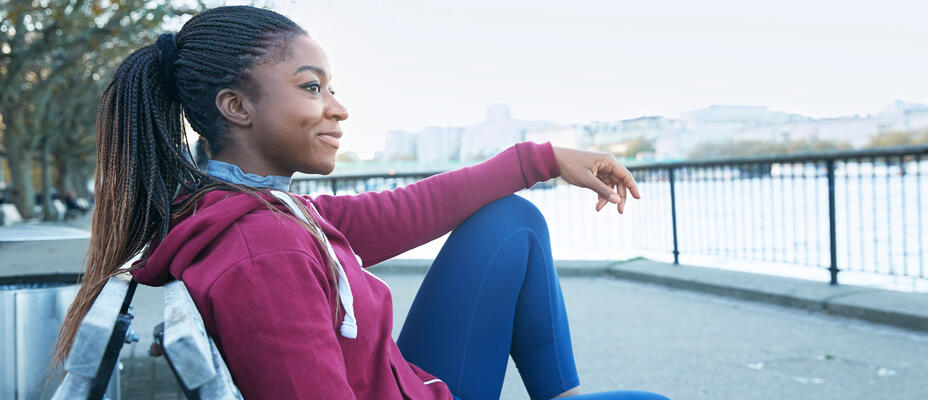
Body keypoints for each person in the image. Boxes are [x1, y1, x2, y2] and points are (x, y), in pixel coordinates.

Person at [53, 6, 666, 400]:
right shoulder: (261, 251)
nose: (339, 108)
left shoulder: (266, 211)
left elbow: (408, 210)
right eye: (311, 87)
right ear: (236, 107)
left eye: (332, 87)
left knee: (512, 221)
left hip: (408, 384)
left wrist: (546, 159)